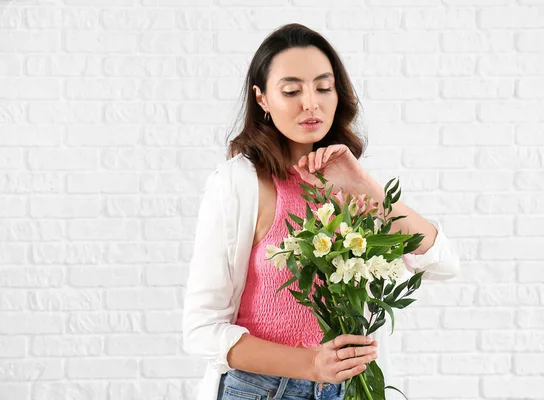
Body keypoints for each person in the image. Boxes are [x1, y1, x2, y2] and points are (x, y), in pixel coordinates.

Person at [182, 23, 460, 400]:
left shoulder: (349, 184)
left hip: (346, 391)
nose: (310, 102)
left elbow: (443, 263)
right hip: (260, 391)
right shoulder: (239, 184)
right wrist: (311, 365)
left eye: (323, 87)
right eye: (292, 90)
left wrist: (366, 190)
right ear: (262, 99)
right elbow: (201, 330)